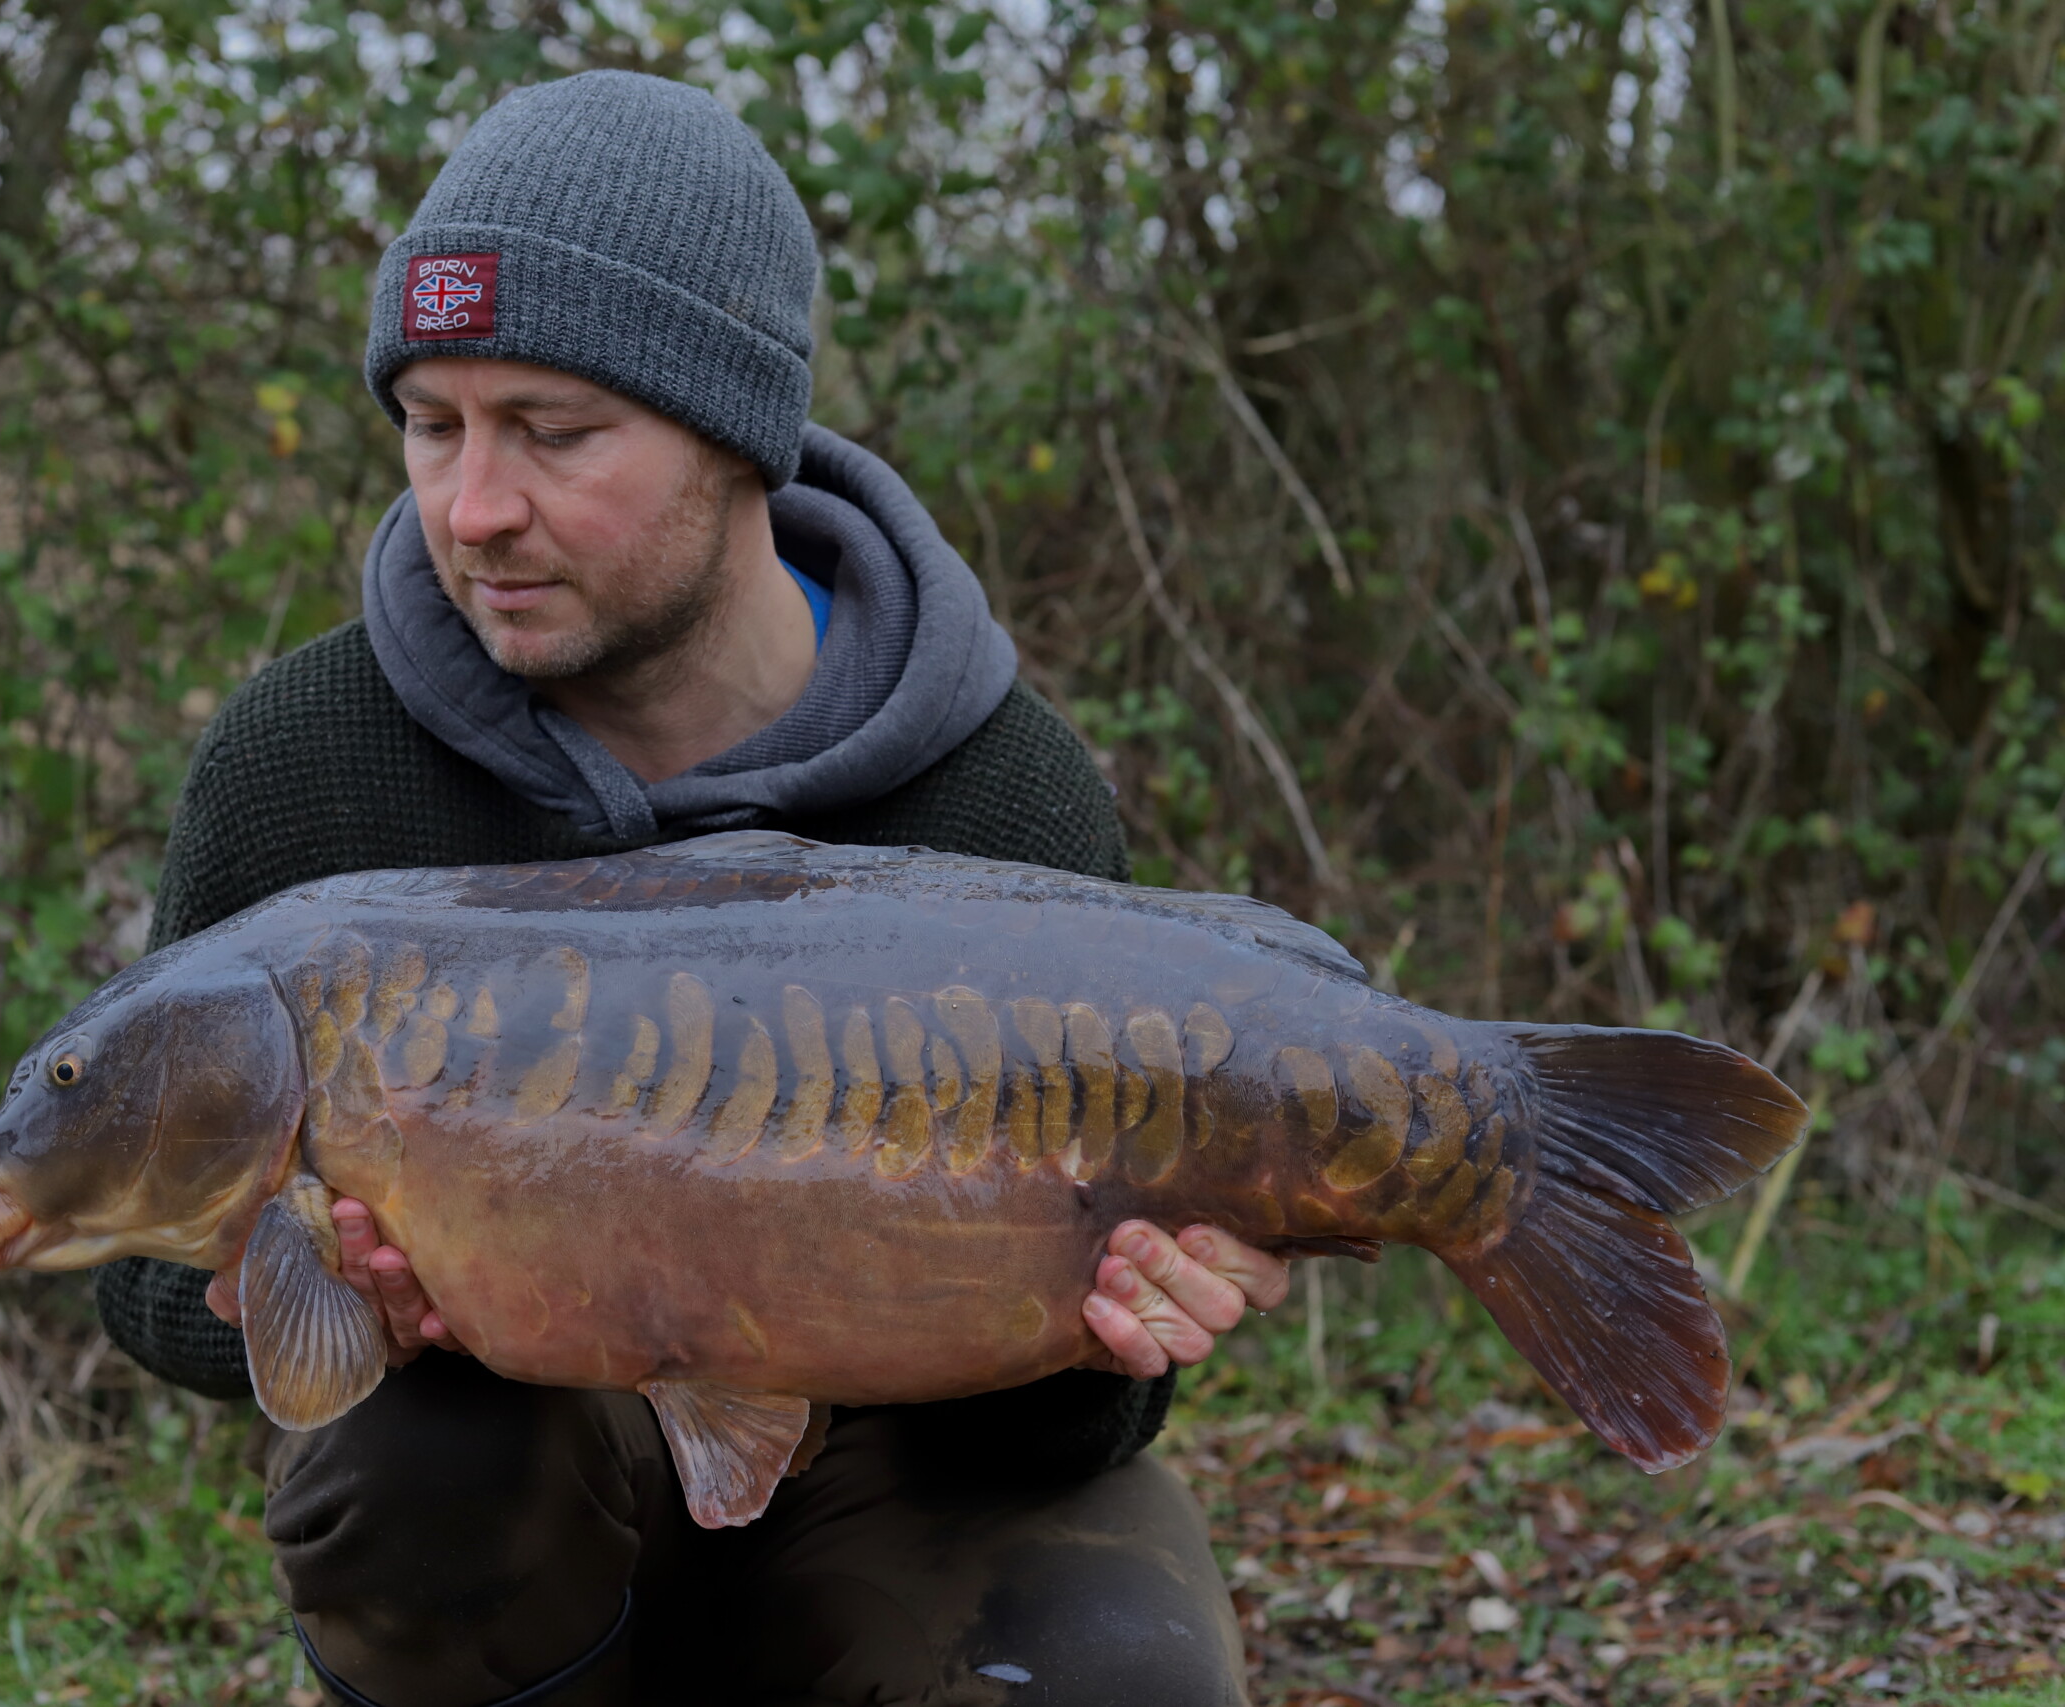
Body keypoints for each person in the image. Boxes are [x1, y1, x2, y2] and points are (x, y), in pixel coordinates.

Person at [94, 69, 1290, 1707]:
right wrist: (318, 1297)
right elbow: (140, 1262)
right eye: (433, 426)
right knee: (414, 1481)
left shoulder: (998, 789)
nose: (473, 508)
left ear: (735, 433)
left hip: (911, 1465)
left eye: (553, 431)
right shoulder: (310, 764)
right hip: (522, 1460)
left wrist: (1116, 1326)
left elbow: (1075, 1431)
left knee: (1113, 1682)